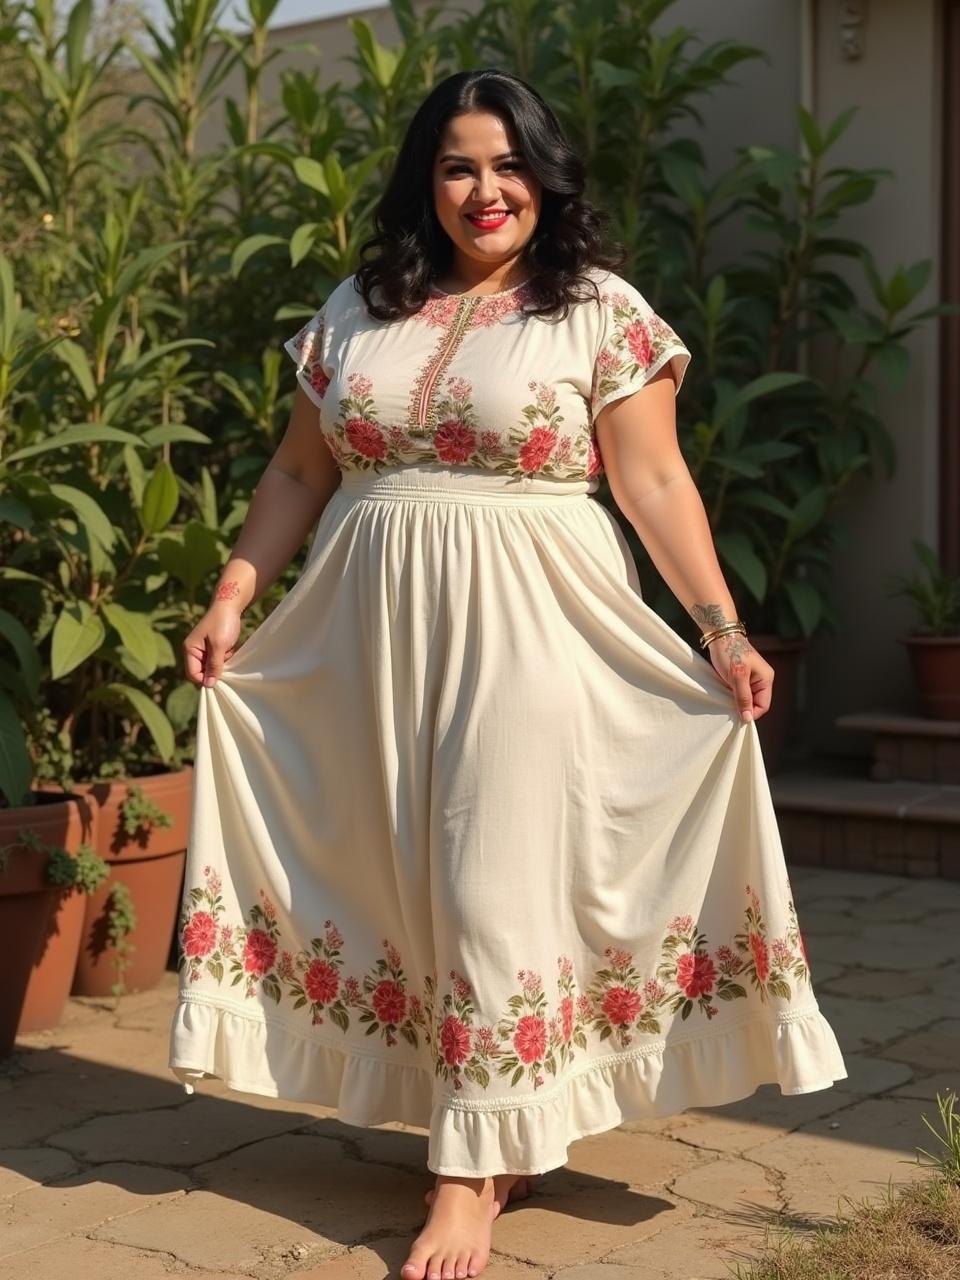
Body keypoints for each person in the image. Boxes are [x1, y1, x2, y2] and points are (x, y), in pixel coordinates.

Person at [170, 67, 846, 1280]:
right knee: (400, 869)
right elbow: (297, 475)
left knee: (491, 867)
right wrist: (233, 593)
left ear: (546, 175)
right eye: (457, 166)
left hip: (535, 622)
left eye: (508, 163)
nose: (486, 190)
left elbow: (650, 482)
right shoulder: (360, 304)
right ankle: (499, 1116)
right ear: (424, 183)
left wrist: (722, 627)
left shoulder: (597, 310)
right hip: (363, 629)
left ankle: (468, 1176)